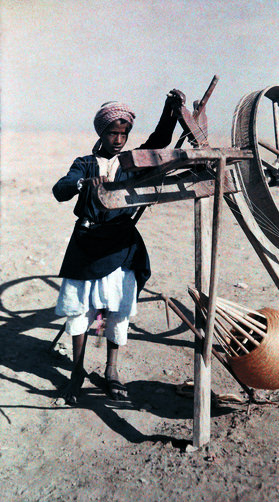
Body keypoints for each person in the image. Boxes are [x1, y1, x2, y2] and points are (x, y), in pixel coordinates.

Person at [53, 90, 185, 404]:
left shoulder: (130, 162)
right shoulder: (84, 164)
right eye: (114, 133)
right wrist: (82, 184)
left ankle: (111, 372)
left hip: (121, 245)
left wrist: (170, 110)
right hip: (87, 245)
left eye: (124, 134)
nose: (119, 140)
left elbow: (158, 142)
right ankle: (76, 372)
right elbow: (60, 190)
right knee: (80, 311)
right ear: (102, 133)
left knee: (117, 308)